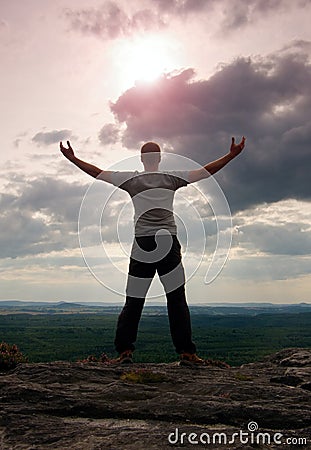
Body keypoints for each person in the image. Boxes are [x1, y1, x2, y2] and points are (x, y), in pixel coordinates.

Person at [60, 137, 245, 365]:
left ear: (141, 158)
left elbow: (97, 173)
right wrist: (232, 155)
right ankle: (187, 353)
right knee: (176, 299)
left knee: (134, 300)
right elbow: (205, 172)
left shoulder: (131, 179)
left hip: (142, 244)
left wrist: (73, 159)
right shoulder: (171, 178)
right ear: (159, 159)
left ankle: (125, 352)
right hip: (168, 243)